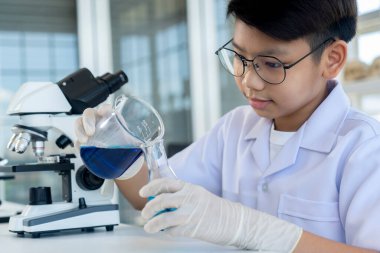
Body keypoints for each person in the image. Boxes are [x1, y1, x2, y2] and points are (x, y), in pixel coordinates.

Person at [75, 0, 380, 252]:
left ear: (332, 59)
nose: (248, 81)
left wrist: (251, 229)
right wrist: (118, 154)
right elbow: (153, 198)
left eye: (272, 64)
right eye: (240, 57)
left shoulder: (364, 148)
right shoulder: (234, 129)